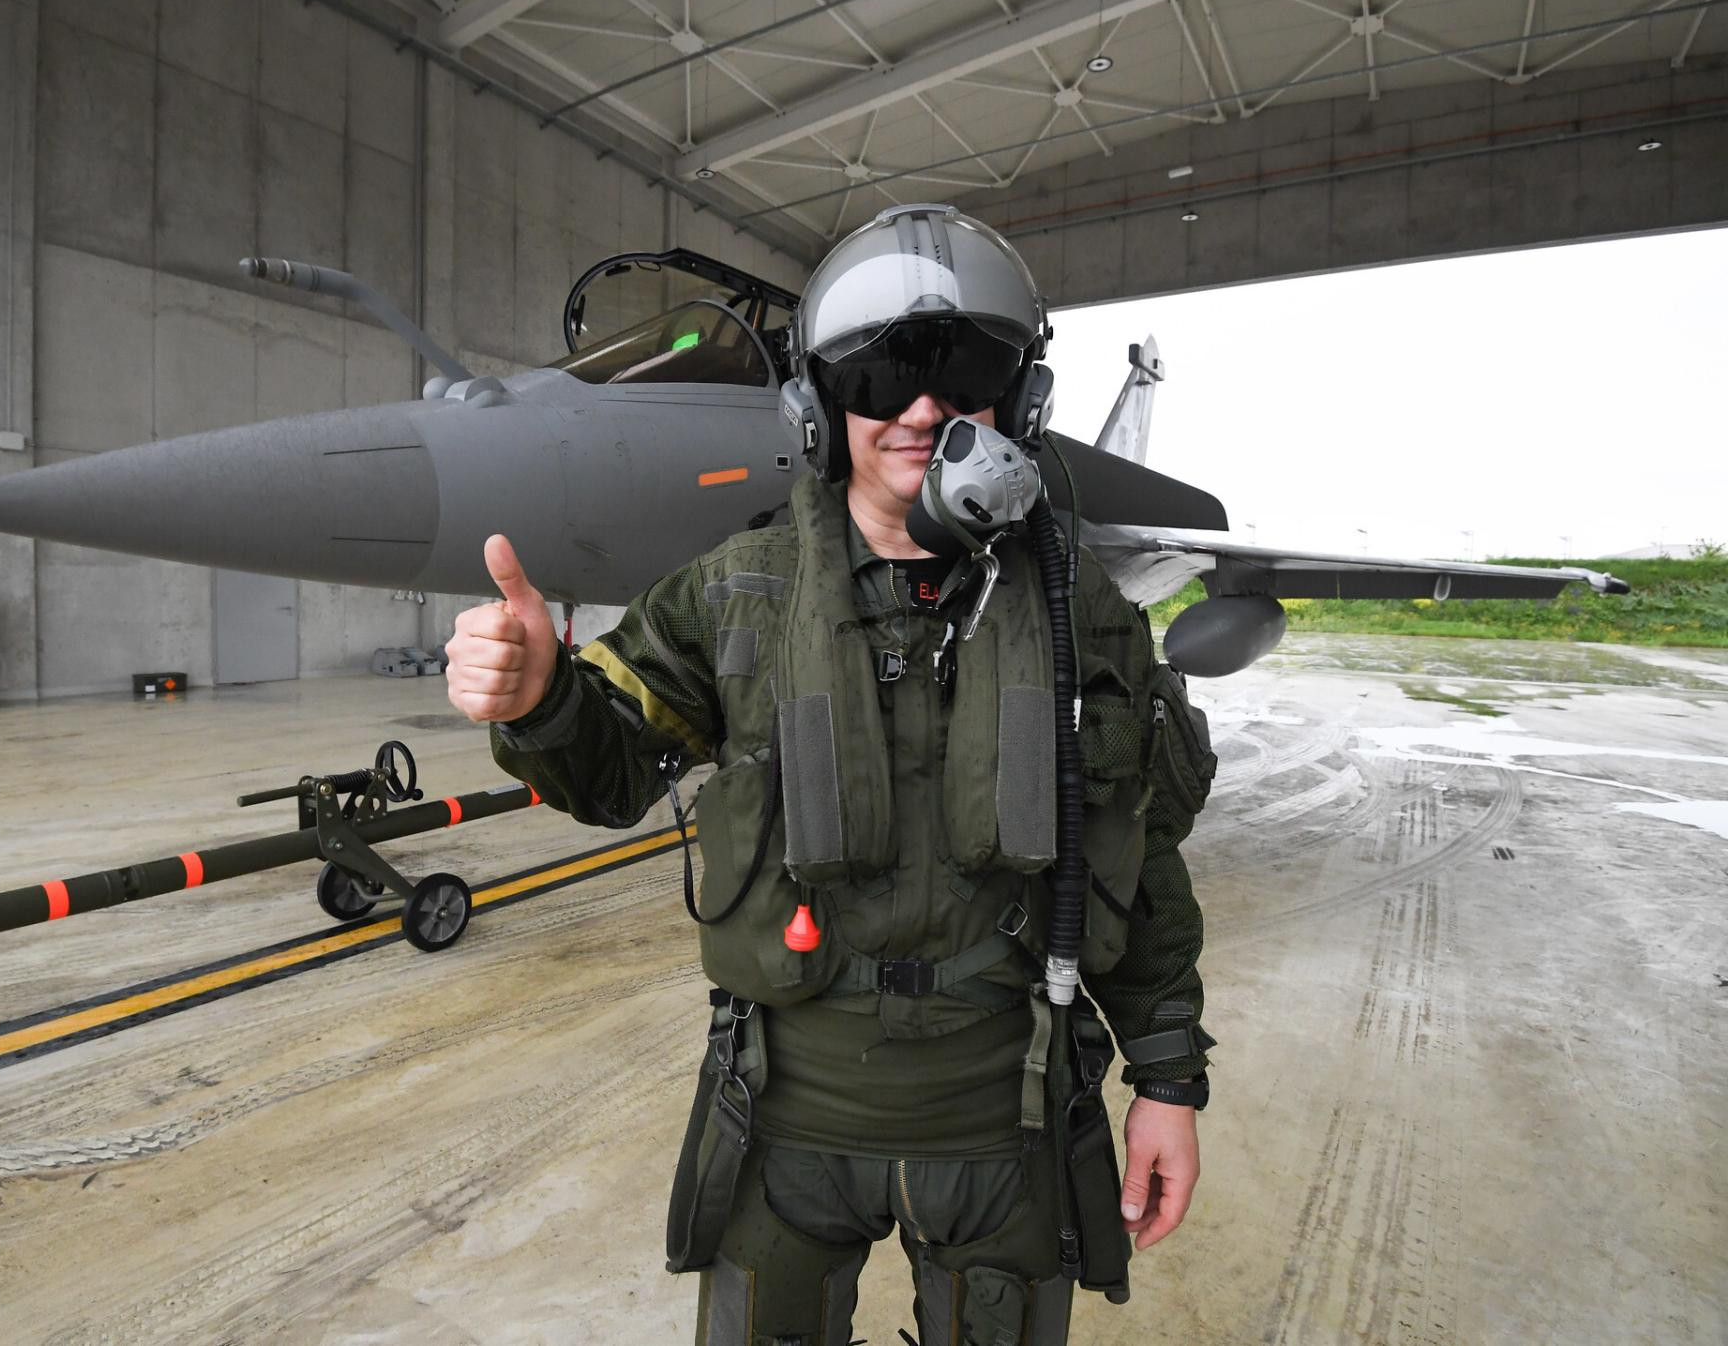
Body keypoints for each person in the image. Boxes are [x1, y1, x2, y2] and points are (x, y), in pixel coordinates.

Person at [446, 205, 1217, 1346]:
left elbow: (1138, 854)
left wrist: (1166, 1081)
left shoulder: (1079, 611)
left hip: (1004, 1123)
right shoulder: (735, 593)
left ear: (1020, 398)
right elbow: (609, 774)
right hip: (785, 1124)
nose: (923, 407)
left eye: (965, 370)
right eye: (880, 373)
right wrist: (539, 698)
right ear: (818, 402)